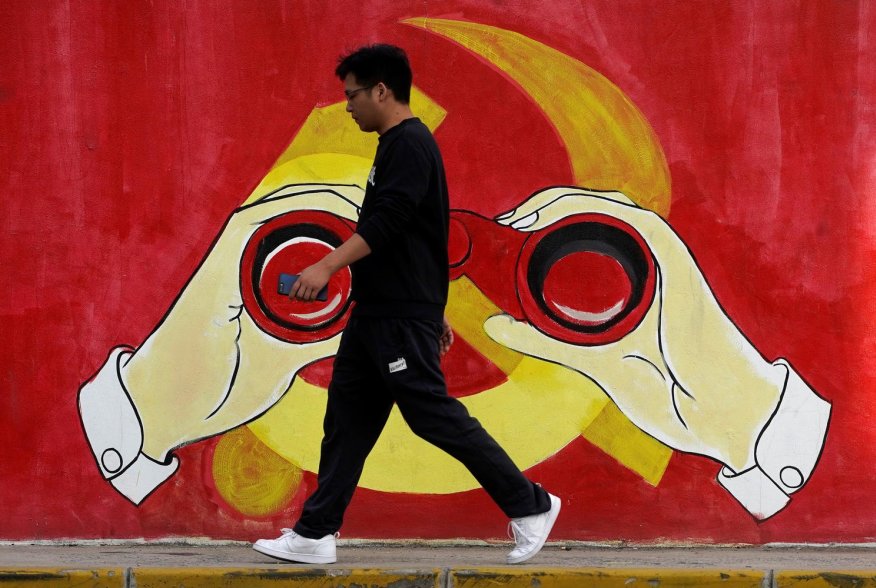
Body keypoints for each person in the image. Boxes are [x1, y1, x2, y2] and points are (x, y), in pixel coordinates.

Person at [253, 44, 560, 565]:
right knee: (346, 423)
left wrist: (329, 265)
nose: (346, 106)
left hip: (396, 316)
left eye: (351, 95)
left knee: (430, 415)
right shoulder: (395, 146)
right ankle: (315, 532)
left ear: (381, 90)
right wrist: (432, 303)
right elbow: (423, 233)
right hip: (381, 313)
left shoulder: (410, 144)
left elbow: (389, 222)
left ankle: (530, 505)